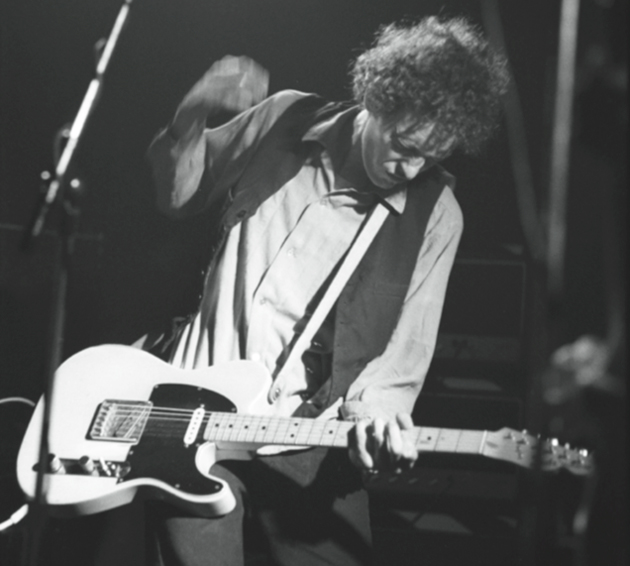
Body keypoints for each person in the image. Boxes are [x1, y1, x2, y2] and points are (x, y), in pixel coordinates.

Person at [143, 15, 508, 566]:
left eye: (430, 158)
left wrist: (380, 422)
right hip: (195, 412)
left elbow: (398, 365)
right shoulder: (283, 119)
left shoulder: (438, 216)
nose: (411, 169)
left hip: (314, 439)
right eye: (404, 144)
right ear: (378, 100)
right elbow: (177, 195)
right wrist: (192, 113)